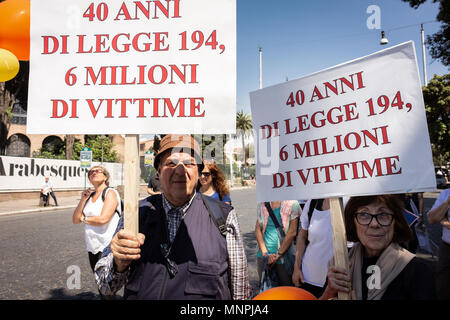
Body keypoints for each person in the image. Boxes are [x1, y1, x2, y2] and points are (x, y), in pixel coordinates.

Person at [94, 134, 252, 300]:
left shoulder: (223, 216)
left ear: (198, 173)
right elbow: (105, 287)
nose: (180, 170)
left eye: (189, 163)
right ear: (159, 171)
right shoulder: (135, 214)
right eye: (171, 163)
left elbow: (240, 290)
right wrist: (119, 264)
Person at [320, 194, 436, 300]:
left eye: (383, 214)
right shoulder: (340, 264)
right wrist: (329, 293)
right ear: (353, 222)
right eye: (364, 214)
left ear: (395, 222)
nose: (374, 224)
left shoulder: (418, 271)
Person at [72, 166, 121, 276]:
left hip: (107, 246)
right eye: (91, 172)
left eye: (98, 171)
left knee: (107, 283)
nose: (94, 173)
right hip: (92, 245)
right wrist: (83, 199)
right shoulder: (89, 196)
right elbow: (75, 219)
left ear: (105, 177)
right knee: (99, 280)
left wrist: (84, 219)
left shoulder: (110, 192)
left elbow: (103, 219)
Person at [292, 198, 334, 298]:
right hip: (307, 279)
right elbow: (302, 236)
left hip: (333, 285)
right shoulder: (312, 203)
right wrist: (296, 268)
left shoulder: (348, 203)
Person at [255, 200, 300, 288]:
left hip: (283, 257)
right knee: (266, 290)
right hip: (263, 257)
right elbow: (257, 230)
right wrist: (266, 254)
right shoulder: (263, 203)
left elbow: (292, 232)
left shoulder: (292, 203)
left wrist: (278, 255)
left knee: (287, 291)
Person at [427, 189, 450, 300]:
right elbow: (431, 219)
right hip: (447, 249)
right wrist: (447, 203)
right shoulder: (445, 194)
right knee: (443, 287)